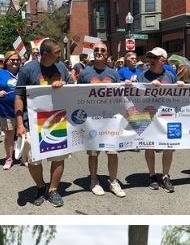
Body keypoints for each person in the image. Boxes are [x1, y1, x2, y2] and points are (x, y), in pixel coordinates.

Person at [14, 38, 73, 207]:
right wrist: (19, 123)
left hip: (57, 120)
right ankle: (41, 187)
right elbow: (19, 97)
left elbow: (72, 89)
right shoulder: (28, 69)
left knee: (58, 158)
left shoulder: (61, 67)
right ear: (45, 54)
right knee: (33, 160)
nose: (60, 55)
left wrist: (64, 84)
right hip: (32, 122)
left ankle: (53, 190)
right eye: (56, 52)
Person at [76, 41, 125, 197]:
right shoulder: (85, 74)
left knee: (112, 152)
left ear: (106, 54)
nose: (99, 52)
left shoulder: (114, 73)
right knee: (93, 153)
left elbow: (120, 95)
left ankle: (113, 182)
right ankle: (94, 181)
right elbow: (76, 95)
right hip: (92, 121)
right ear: (93, 52)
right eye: (96, 49)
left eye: (102, 50)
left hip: (110, 120)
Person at [139, 48, 183, 192]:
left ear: (163, 61)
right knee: (149, 146)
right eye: (150, 57)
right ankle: (152, 175)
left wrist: (181, 86)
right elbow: (135, 98)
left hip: (167, 117)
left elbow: (178, 95)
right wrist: (147, 89)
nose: (151, 60)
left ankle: (165, 176)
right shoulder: (142, 76)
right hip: (148, 115)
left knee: (168, 147)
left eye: (155, 58)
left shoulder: (170, 75)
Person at [0, 51, 21, 170]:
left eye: (17, 59)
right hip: (6, 111)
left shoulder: (23, 73)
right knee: (9, 135)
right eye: (12, 59)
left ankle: (24, 158)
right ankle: (9, 158)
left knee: (24, 135)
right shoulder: (1, 73)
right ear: (6, 61)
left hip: (23, 110)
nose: (15, 62)